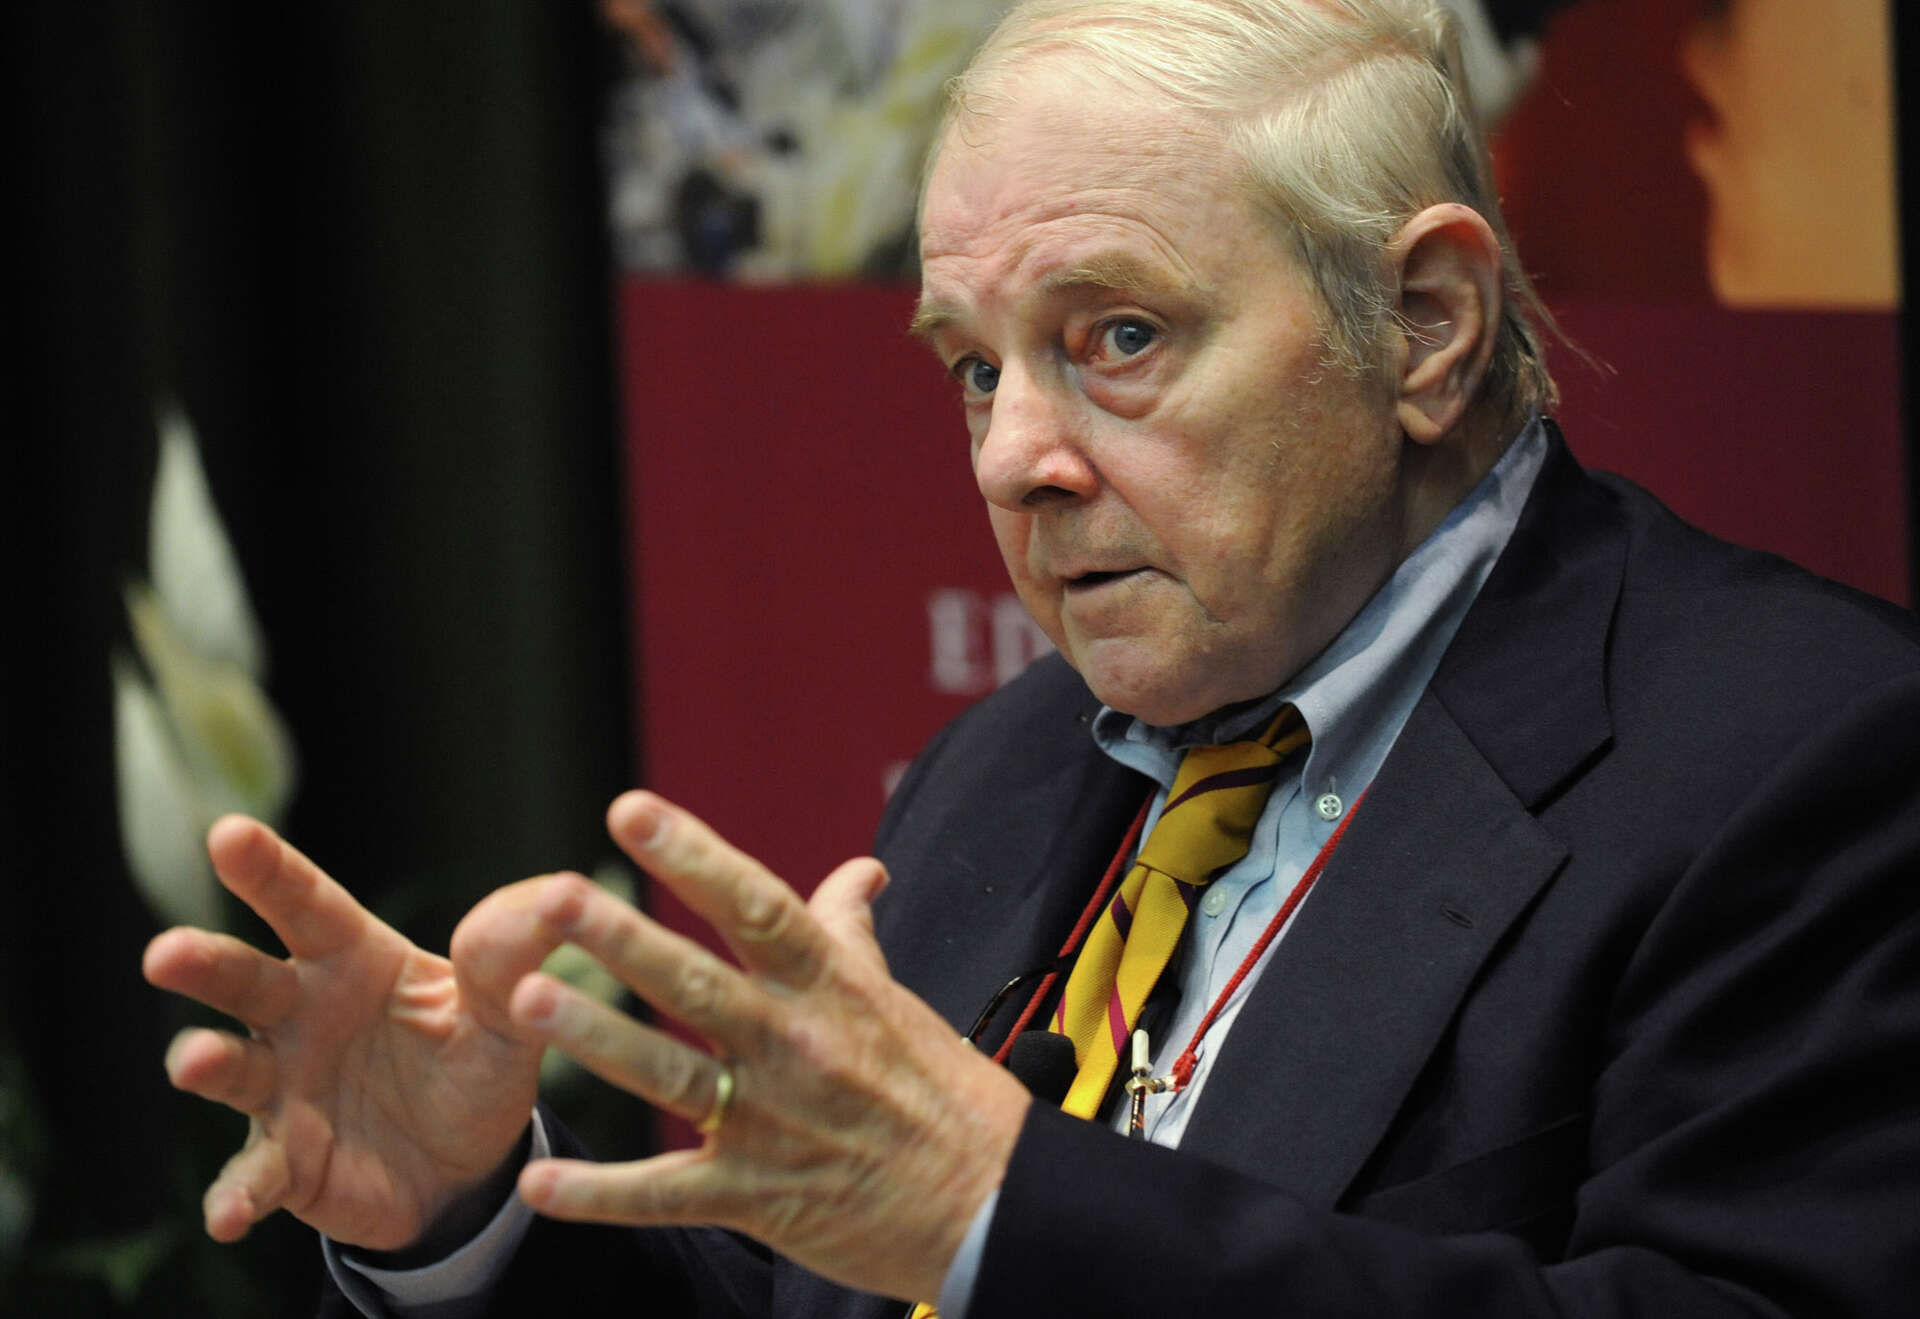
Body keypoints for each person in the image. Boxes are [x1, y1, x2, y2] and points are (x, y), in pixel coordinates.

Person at [143, 0, 1920, 1315]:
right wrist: (467, 1221)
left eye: (1118, 337)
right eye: (977, 368)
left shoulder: (1806, 763)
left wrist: (1002, 1210)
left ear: (1426, 327)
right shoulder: (999, 771)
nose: (1012, 460)